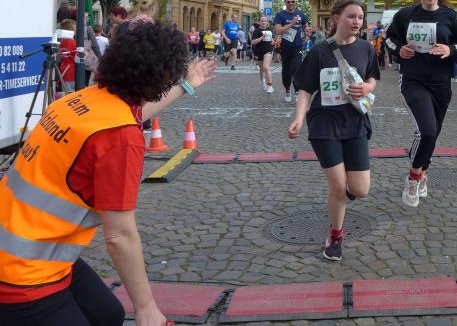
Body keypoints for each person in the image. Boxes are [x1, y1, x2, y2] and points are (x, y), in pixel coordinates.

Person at [0, 22, 215, 326]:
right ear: (162, 77)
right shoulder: (119, 136)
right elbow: (119, 235)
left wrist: (187, 86)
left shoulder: (81, 100)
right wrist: (146, 307)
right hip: (22, 273)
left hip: (27, 246)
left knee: (108, 314)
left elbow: (132, 116)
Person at [288, 0, 379, 261]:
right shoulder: (320, 51)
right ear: (336, 18)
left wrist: (367, 87)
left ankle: (341, 199)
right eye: (351, 16)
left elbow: (373, 77)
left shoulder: (366, 48)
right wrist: (299, 118)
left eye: (360, 17)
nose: (357, 22)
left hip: (355, 122)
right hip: (324, 124)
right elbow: (305, 89)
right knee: (339, 187)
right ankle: (336, 236)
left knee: (360, 190)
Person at [385, 0, 457, 208]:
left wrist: (451, 50)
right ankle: (413, 177)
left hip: (441, 83)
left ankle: (423, 171)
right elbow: (389, 38)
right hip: (413, 80)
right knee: (426, 131)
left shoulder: (452, 16)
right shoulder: (405, 15)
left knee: (433, 133)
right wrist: (399, 50)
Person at [274, 0, 309, 103]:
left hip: (297, 46)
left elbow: (305, 26)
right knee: (286, 70)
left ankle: (297, 91)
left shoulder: (300, 14)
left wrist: (308, 30)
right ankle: (287, 90)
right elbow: (278, 30)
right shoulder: (280, 15)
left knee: (296, 67)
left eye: (292, 1)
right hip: (285, 46)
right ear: (285, 3)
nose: (291, 3)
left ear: (295, 2)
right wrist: (292, 24)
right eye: (288, 2)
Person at [251, 16, 274, 93]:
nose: (264, 22)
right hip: (259, 52)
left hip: (268, 50)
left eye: (265, 21)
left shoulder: (270, 30)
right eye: (262, 21)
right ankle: (262, 81)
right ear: (259, 22)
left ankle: (270, 86)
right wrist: (262, 37)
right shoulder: (256, 31)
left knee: (266, 67)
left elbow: (272, 38)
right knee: (261, 69)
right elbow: (253, 42)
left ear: (267, 22)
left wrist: (273, 41)